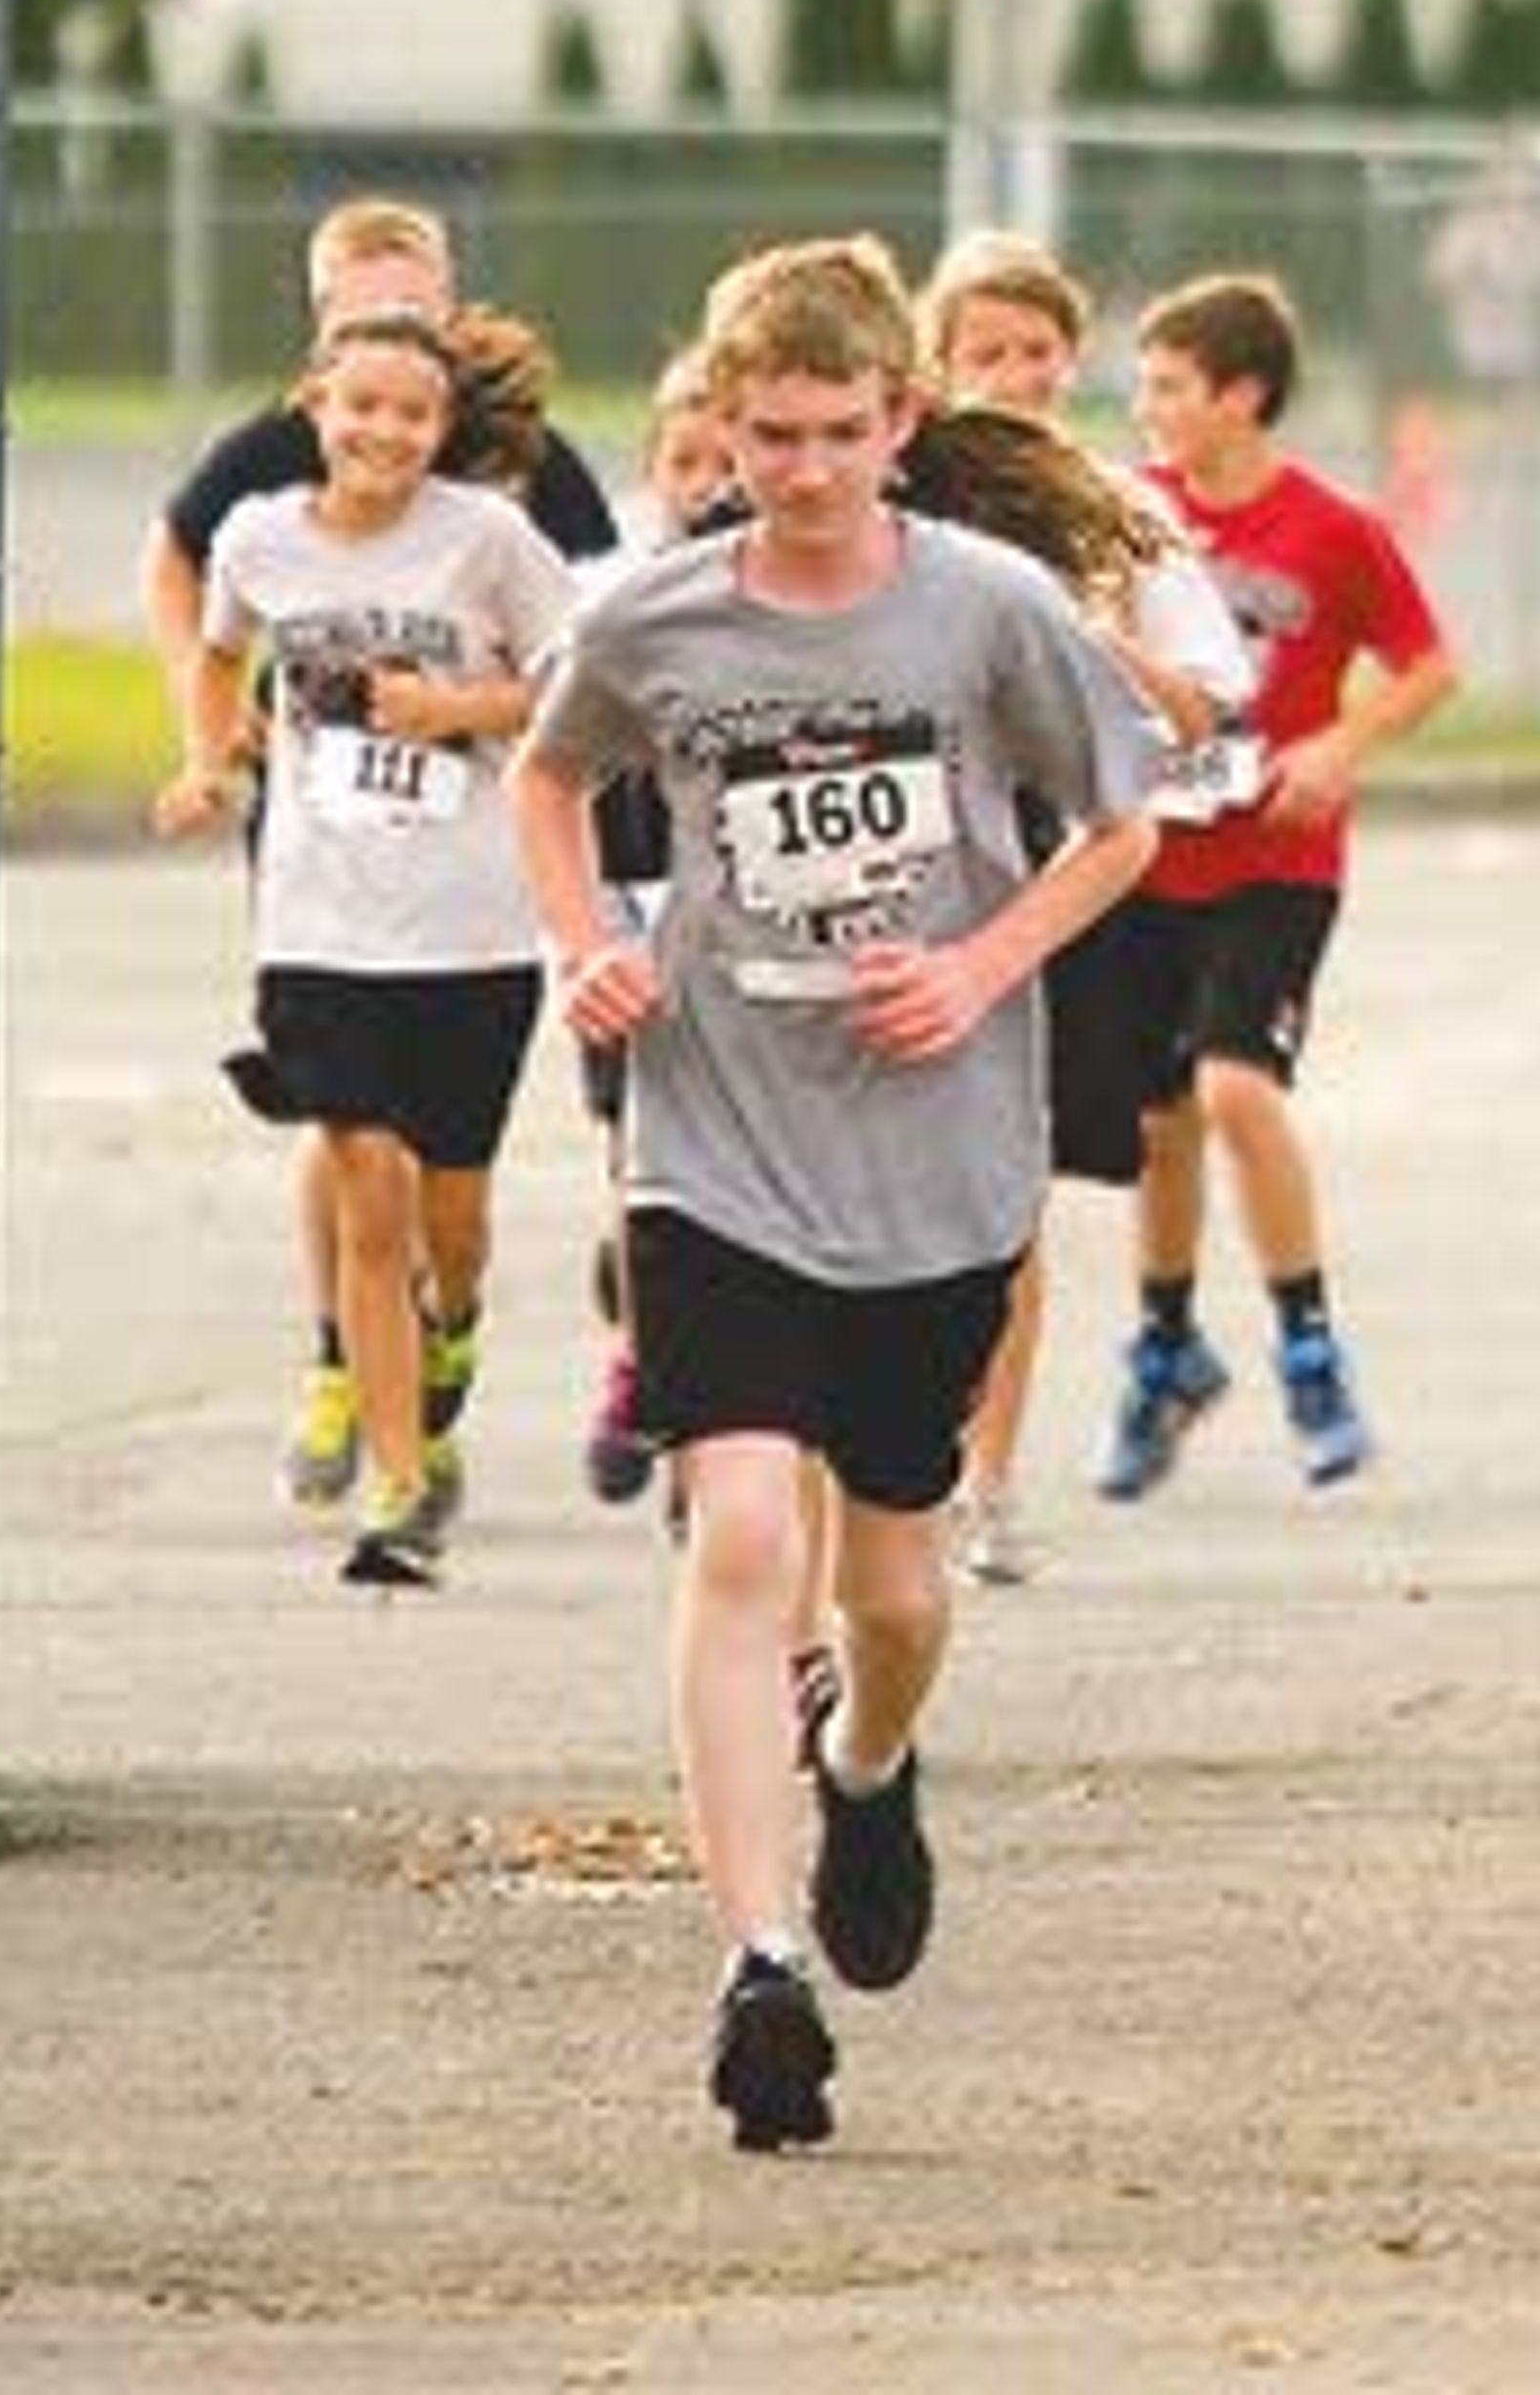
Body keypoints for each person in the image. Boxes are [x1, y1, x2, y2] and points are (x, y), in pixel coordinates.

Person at [509, 234, 1162, 2157]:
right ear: (717, 418)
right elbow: (549, 784)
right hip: (716, 1132)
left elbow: (1121, 823)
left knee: (890, 1578)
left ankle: (868, 1767)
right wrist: (582, 945)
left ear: (901, 421)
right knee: (736, 1544)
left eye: (831, 435)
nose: (792, 471)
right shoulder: (656, 617)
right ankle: (758, 1959)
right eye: (761, 434)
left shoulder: (985, 611)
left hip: (937, 1149)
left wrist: (982, 963)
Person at [138, 188, 619, 1513]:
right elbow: (198, 589)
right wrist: (208, 733)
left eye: (415, 336)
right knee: (355, 1146)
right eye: (362, 335)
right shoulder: (266, 482)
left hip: (469, 892)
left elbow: (591, 651)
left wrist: (460, 711)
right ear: (321, 348)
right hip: (321, 880)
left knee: (442, 1196)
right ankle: (359, 1383)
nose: (385, 403)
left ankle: (441, 1321)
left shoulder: (514, 494)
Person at [907, 231, 1254, 1583]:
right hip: (912, 869)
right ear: (936, 366)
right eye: (983, 350)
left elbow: (1207, 695)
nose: (1013, 374)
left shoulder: (1117, 505)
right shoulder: (898, 495)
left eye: (1037, 349)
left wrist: (1092, 643)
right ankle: (885, 1459)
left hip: (1058, 877)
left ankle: (981, 1482)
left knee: (1009, 1197)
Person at [1095, 270, 1457, 1501]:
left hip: (1277, 859)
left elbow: (1425, 663)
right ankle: (1165, 1338)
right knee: (1156, 1120)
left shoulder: (1331, 529)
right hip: (1154, 849)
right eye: (1142, 382)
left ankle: (1308, 1340)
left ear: (1242, 395)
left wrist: (1341, 744)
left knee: (1239, 1087)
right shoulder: (1128, 516)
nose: (1146, 405)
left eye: (1169, 384)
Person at [576, 342, 741, 1514]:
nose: (703, 478)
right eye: (682, 458)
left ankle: (716, 1401)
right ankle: (647, 1354)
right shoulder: (614, 591)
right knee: (640, 1161)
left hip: (744, 911)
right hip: (634, 899)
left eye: (722, 457)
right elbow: (557, 769)